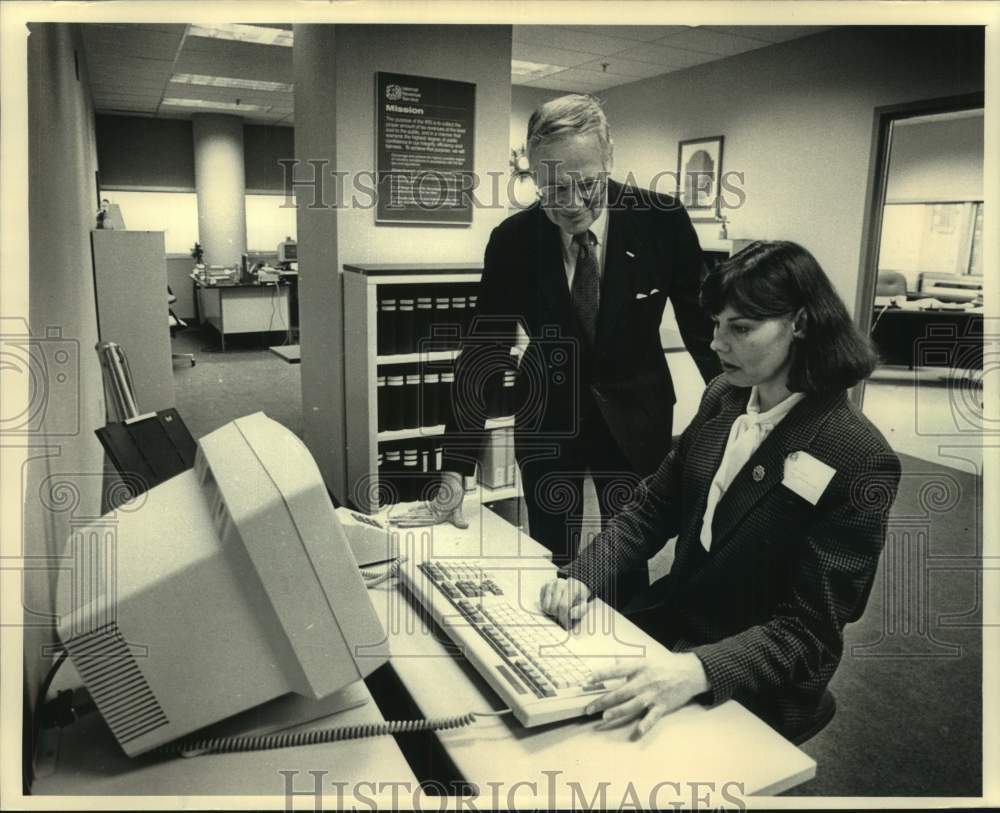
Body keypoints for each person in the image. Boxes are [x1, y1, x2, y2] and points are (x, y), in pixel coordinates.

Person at [539, 241, 901, 741]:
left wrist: (697, 670)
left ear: (799, 323)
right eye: (715, 323)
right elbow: (653, 508)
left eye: (741, 328)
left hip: (758, 675)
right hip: (678, 625)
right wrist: (583, 575)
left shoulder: (859, 456)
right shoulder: (723, 398)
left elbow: (811, 631)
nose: (716, 343)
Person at [394, 94, 720, 599]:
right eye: (553, 189)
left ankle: (626, 639)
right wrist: (456, 465)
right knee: (551, 551)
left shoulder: (661, 220)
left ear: (608, 156)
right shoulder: (513, 240)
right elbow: (486, 348)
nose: (570, 204)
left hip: (636, 412)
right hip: (547, 410)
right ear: (532, 174)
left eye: (585, 184)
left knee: (627, 551)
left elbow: (704, 330)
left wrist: (739, 416)